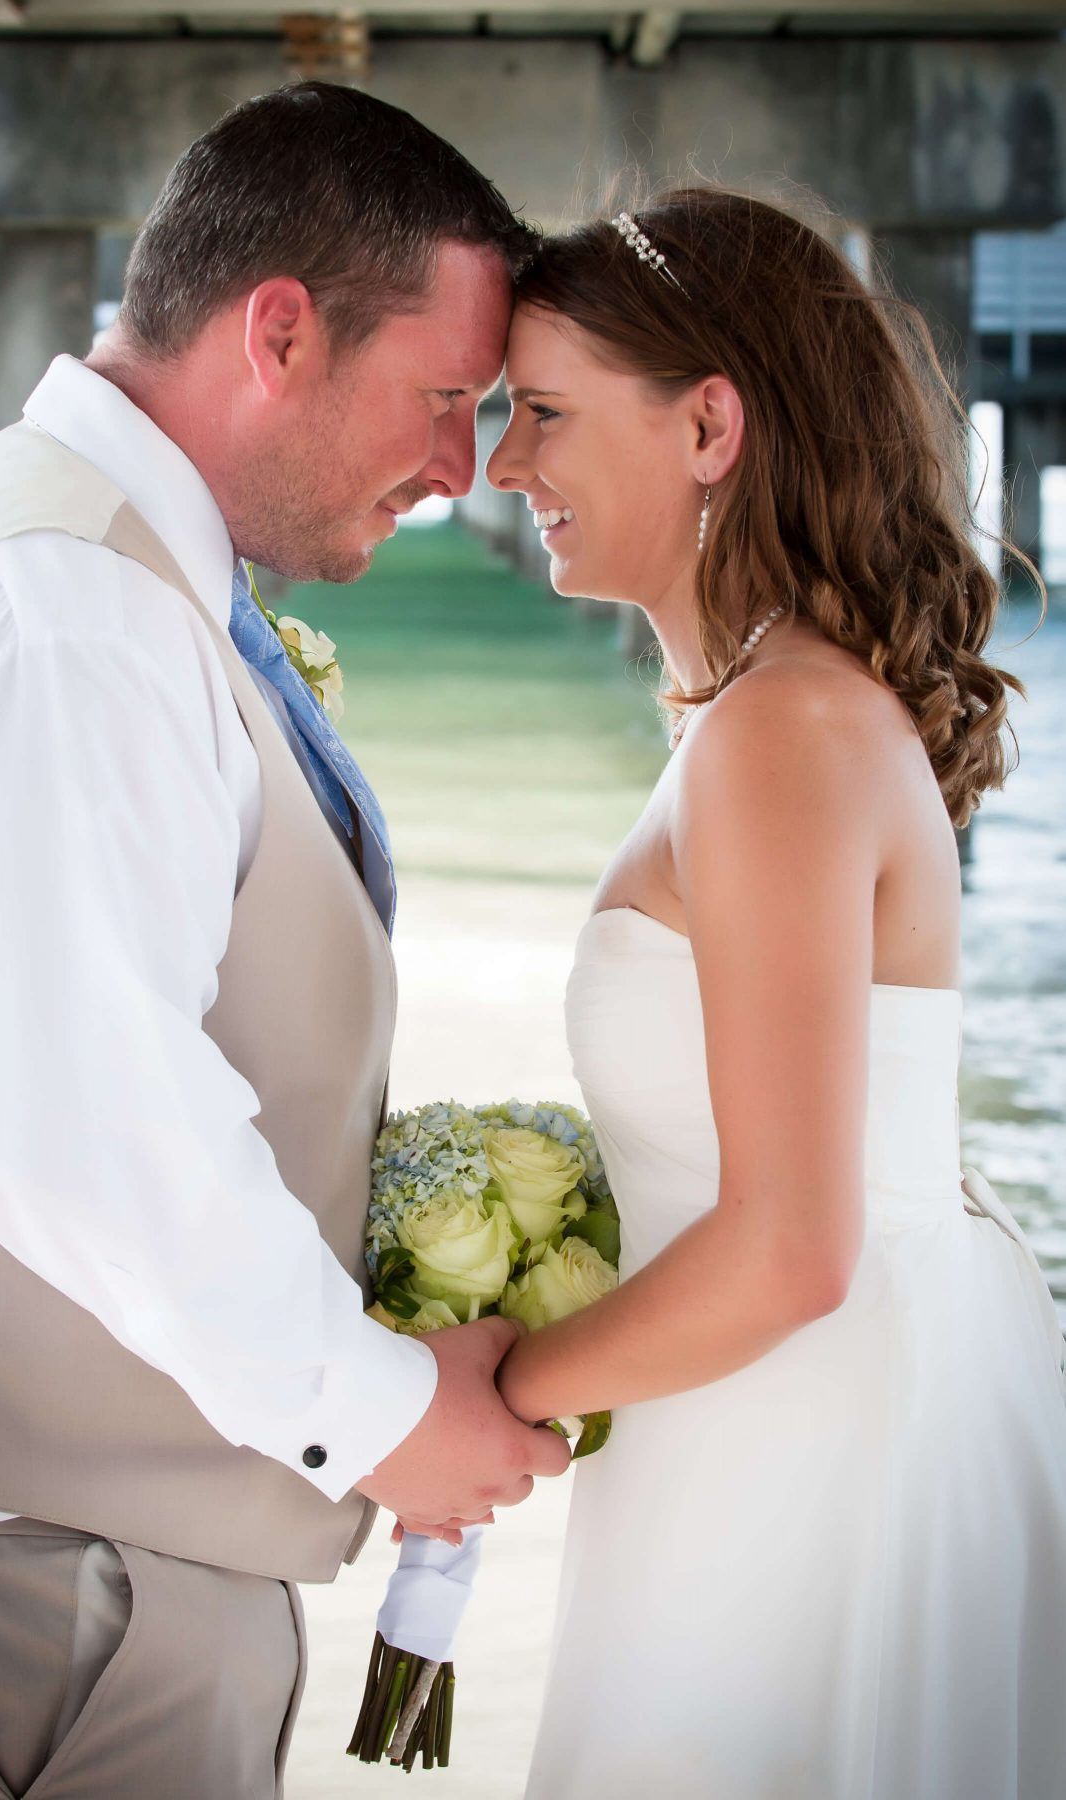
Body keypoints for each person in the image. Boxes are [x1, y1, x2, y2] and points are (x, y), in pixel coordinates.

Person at [0, 81, 570, 1799]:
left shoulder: (129, 583)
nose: (463, 468)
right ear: (278, 334)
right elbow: (86, 1127)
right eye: (444, 400)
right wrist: (392, 1418)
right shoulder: (78, 617)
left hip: (52, 1563)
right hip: (30, 1591)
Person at [486, 188, 1066, 1798]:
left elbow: (797, 1246)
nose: (502, 466)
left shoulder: (779, 734)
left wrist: (502, 1389)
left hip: (799, 1451)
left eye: (541, 413)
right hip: (777, 1413)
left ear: (709, 425)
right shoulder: (765, 713)